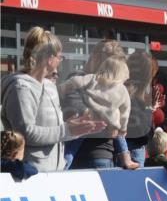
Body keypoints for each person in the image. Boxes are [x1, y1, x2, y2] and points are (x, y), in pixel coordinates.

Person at [0, 27, 104, 171]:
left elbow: (56, 132)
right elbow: (24, 133)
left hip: (55, 172)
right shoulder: (20, 87)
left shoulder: (50, 86)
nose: (60, 61)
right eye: (59, 57)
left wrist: (75, 128)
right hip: (29, 173)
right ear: (49, 58)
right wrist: (67, 130)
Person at [59, 55, 132, 170]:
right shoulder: (122, 90)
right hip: (108, 125)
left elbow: (75, 81)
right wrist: (123, 128)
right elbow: (125, 112)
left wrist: (62, 88)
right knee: (118, 128)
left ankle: (64, 165)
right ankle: (126, 157)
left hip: (88, 120)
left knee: (72, 144)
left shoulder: (92, 79)